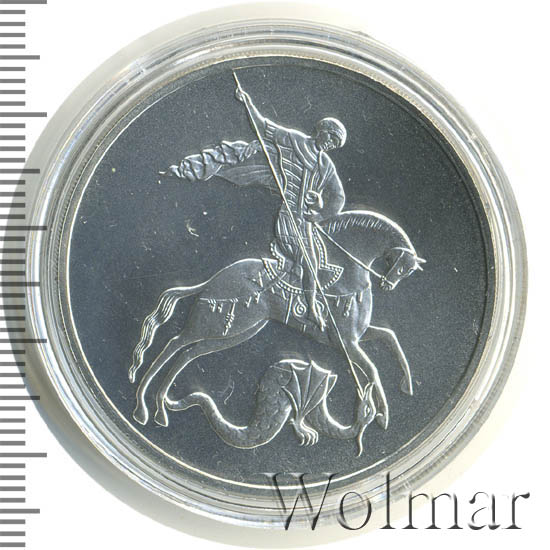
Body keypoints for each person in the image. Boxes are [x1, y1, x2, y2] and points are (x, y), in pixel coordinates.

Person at [163, 87, 347, 331]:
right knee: (310, 262)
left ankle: (294, 294)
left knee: (315, 259)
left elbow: (338, 197)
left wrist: (319, 211)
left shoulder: (325, 165)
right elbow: (263, 126)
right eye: (331, 138)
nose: (331, 144)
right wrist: (247, 102)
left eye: (335, 143)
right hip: (288, 217)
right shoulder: (294, 140)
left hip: (305, 221)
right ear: (321, 131)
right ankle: (311, 308)